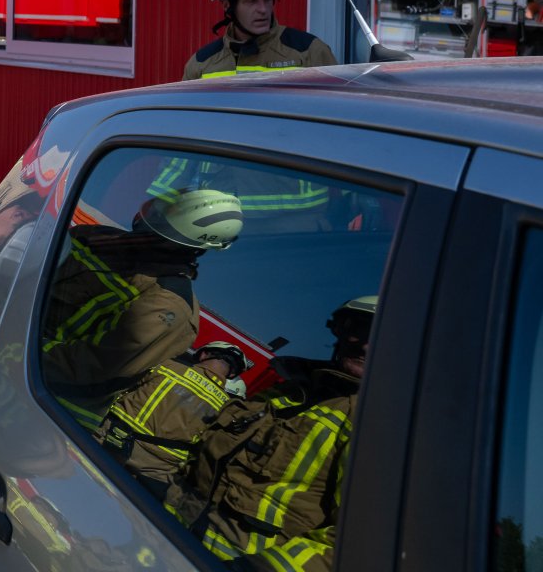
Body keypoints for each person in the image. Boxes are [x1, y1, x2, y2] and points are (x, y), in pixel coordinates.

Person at [164, 296, 377, 572]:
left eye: (385, 340)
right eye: (362, 329)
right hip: (162, 535)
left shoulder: (375, 424)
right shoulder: (286, 392)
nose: (365, 344)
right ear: (341, 331)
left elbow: (354, 541)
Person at [39, 189, 245, 431]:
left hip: (50, 410)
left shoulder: (170, 305)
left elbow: (91, 369)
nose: (145, 214)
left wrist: (17, 347)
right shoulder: (97, 238)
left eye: (161, 214)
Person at [96, 341, 252, 498]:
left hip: (112, 441)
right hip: (157, 472)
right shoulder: (226, 407)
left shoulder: (168, 367)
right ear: (232, 374)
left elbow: (121, 384)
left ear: (204, 354)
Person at [184, 0, 337, 80]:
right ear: (227, 5)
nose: (263, 9)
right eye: (251, 1)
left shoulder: (309, 53)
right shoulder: (201, 65)